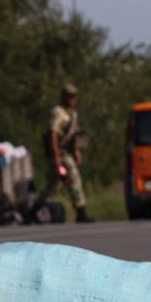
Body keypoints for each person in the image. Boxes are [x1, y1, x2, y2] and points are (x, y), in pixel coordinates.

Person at [35, 83, 93, 223]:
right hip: (60, 152)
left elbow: (73, 137)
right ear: (63, 97)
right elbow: (53, 134)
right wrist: (56, 157)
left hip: (66, 151)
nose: (72, 99)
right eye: (69, 96)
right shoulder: (58, 113)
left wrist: (76, 151)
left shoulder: (72, 114)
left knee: (53, 184)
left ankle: (34, 209)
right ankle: (81, 211)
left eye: (74, 96)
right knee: (73, 177)